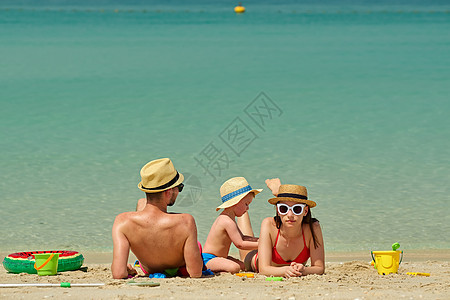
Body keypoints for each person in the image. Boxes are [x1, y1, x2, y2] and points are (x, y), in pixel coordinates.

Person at [111, 158, 203, 279]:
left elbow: (118, 273)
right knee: (197, 245)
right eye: (179, 187)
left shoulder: (122, 221)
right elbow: (195, 273)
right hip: (177, 268)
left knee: (142, 204)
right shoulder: (186, 221)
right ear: (169, 192)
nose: (179, 192)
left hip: (148, 267)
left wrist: (128, 271)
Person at [242, 178, 325, 277]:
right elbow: (263, 269)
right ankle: (241, 201)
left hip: (271, 250)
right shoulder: (268, 224)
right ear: (277, 210)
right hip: (254, 260)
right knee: (245, 255)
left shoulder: (313, 228)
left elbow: (319, 268)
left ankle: (281, 194)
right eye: (283, 208)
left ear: (305, 211)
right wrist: (285, 270)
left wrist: (304, 270)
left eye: (297, 209)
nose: (290, 214)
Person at [201, 177, 262, 273]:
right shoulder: (226, 220)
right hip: (209, 259)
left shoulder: (229, 218)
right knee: (234, 268)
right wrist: (262, 245)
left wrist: (260, 239)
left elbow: (243, 237)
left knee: (242, 266)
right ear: (235, 202)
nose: (248, 208)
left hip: (220, 257)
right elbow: (240, 244)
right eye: (246, 204)